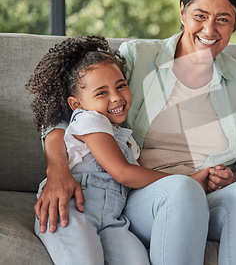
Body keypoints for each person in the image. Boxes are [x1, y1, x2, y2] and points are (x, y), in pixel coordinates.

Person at [34, 0, 236, 265]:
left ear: (235, 24)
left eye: (223, 19)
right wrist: (57, 169)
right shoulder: (138, 57)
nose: (209, 30)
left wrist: (230, 177)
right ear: (183, 12)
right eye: (200, 15)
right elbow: (64, 113)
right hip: (141, 195)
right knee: (183, 188)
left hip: (203, 194)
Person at [27, 36, 171, 264]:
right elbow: (123, 173)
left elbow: (140, 180)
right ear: (76, 104)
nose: (116, 97)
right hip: (71, 211)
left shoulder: (127, 140)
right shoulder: (89, 120)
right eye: (101, 93)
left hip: (113, 221)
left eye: (121, 85)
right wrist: (186, 179)